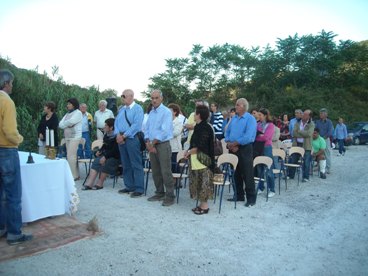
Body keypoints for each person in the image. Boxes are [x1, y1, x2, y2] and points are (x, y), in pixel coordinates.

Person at [0, 69, 33, 245]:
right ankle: (14, 233)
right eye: (11, 83)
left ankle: (1, 227)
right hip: (6, 151)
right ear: (6, 83)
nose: (12, 86)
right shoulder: (6, 101)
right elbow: (10, 131)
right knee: (13, 194)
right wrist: (19, 139)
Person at [144, 90, 175, 206]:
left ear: (161, 98)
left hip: (162, 144)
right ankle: (159, 192)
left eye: (156, 98)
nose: (154, 100)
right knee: (156, 171)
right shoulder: (151, 112)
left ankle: (170, 195)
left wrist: (153, 143)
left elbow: (165, 130)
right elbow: (146, 128)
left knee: (165, 171)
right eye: (152, 98)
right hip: (152, 144)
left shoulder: (166, 112)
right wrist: (148, 142)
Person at [225, 98, 257, 207]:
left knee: (247, 173)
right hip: (233, 148)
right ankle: (239, 195)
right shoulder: (234, 118)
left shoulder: (250, 119)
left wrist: (236, 143)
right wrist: (229, 142)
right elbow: (227, 131)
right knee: (236, 173)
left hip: (244, 149)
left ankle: (251, 199)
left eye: (237, 105)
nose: (236, 107)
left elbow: (248, 136)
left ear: (243, 106)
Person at [184, 105, 215, 215]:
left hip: (204, 160)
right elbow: (194, 142)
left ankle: (205, 207)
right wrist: (187, 150)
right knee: (197, 182)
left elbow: (202, 145)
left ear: (199, 115)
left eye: (195, 113)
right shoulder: (197, 126)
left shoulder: (206, 127)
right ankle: (201, 204)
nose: (194, 115)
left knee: (204, 183)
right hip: (196, 160)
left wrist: (189, 152)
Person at [114, 89, 145, 197]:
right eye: (122, 96)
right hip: (121, 138)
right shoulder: (122, 109)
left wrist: (124, 136)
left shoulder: (138, 109)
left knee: (136, 163)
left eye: (124, 96)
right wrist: (117, 134)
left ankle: (139, 188)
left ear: (131, 96)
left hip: (131, 138)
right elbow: (116, 122)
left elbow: (136, 125)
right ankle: (129, 186)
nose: (122, 98)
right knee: (125, 163)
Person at [82, 118, 120, 190]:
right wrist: (100, 151)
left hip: (115, 157)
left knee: (107, 162)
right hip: (107, 155)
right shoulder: (107, 135)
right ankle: (90, 183)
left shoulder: (117, 136)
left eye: (106, 125)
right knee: (96, 161)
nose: (104, 126)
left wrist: (105, 157)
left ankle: (100, 183)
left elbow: (115, 150)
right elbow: (105, 145)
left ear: (111, 127)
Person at [59, 98, 83, 181]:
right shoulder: (67, 114)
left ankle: (73, 176)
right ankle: (75, 174)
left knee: (71, 155)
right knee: (71, 156)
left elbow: (72, 121)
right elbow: (60, 124)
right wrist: (67, 124)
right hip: (67, 137)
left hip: (75, 136)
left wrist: (67, 124)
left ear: (74, 104)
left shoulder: (78, 113)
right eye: (67, 104)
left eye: (69, 104)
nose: (67, 105)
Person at [289, 109, 315, 182]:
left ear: (309, 116)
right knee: (293, 159)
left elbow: (309, 134)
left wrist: (299, 131)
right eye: (303, 114)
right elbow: (294, 133)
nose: (303, 115)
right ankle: (290, 175)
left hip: (306, 145)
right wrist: (303, 133)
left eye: (305, 114)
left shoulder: (312, 124)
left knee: (306, 162)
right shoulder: (298, 122)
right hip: (297, 144)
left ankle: (305, 177)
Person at [255, 108, 276, 197]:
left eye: (260, 115)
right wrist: (260, 135)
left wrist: (260, 135)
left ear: (265, 115)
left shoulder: (270, 125)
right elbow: (254, 136)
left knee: (268, 168)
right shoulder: (258, 124)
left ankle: (272, 189)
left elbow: (266, 137)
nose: (258, 116)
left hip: (267, 148)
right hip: (258, 147)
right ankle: (260, 187)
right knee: (259, 168)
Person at [315, 108, 333, 174]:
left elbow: (330, 132)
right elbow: (316, 130)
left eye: (321, 113)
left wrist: (323, 138)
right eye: (320, 113)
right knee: (319, 153)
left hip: (325, 139)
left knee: (327, 153)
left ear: (325, 114)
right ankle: (320, 167)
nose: (320, 115)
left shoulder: (329, 122)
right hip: (318, 139)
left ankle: (328, 168)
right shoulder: (318, 122)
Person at [168, 103, 183, 173]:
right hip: (167, 148)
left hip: (175, 149)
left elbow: (175, 133)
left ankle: (177, 182)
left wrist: (165, 132)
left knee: (175, 167)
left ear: (175, 112)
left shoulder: (179, 122)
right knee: (168, 168)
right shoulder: (166, 122)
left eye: (169, 110)